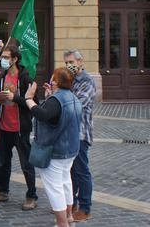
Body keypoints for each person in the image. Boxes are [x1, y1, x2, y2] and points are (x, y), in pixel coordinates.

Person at [24, 68, 82, 227]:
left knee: (55, 188)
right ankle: (69, 217)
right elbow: (55, 116)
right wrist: (50, 97)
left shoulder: (57, 100)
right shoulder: (73, 98)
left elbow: (42, 115)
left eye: (53, 78)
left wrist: (29, 99)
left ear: (56, 81)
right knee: (65, 182)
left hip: (55, 151)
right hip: (70, 150)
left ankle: (62, 223)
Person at [0, 45, 39, 210]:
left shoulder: (26, 79)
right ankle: (3, 190)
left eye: (6, 57)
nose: (4, 60)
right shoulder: (2, 77)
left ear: (15, 59)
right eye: (3, 57)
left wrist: (16, 97)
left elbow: (34, 103)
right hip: (4, 127)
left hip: (20, 129)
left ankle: (31, 195)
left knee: (26, 164)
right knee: (3, 162)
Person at [64, 50, 96, 223]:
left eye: (71, 62)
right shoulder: (70, 81)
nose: (69, 65)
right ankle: (72, 204)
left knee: (82, 171)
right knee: (70, 171)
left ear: (80, 62)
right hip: (69, 132)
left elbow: (75, 105)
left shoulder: (87, 81)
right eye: (66, 62)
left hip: (81, 133)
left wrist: (61, 94)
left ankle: (85, 208)